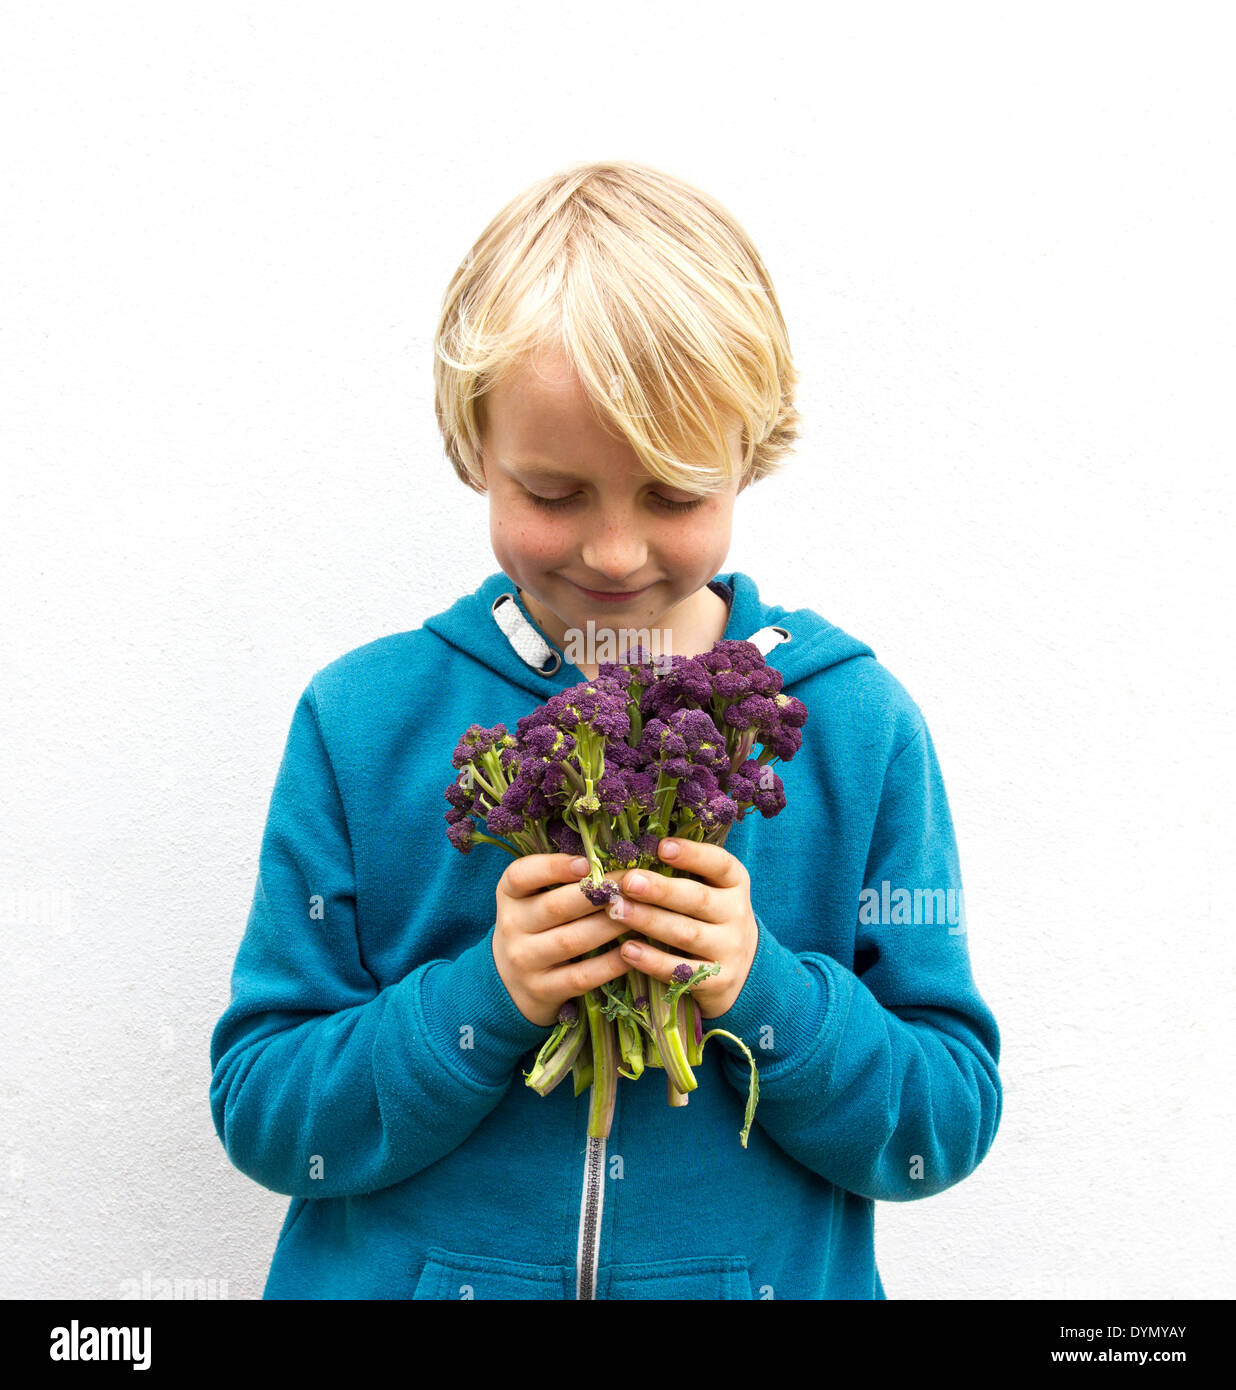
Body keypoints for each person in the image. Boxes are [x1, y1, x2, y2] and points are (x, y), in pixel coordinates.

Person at [209, 160, 1002, 1300]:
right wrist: (484, 995)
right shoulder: (361, 721)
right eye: (555, 491)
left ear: (751, 453)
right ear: (473, 445)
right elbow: (264, 1112)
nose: (617, 553)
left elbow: (945, 1117)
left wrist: (761, 988)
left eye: (675, 496)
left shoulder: (854, 726)